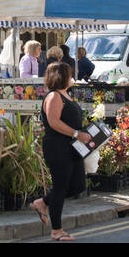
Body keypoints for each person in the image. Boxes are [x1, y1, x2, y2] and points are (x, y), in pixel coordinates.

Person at [30, 61, 93, 241]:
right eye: (70, 75)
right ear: (62, 77)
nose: (72, 78)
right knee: (60, 187)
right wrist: (76, 133)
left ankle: (42, 203)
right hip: (58, 147)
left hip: (73, 147)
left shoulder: (66, 95)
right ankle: (57, 231)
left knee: (78, 185)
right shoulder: (54, 96)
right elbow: (53, 122)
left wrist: (84, 133)